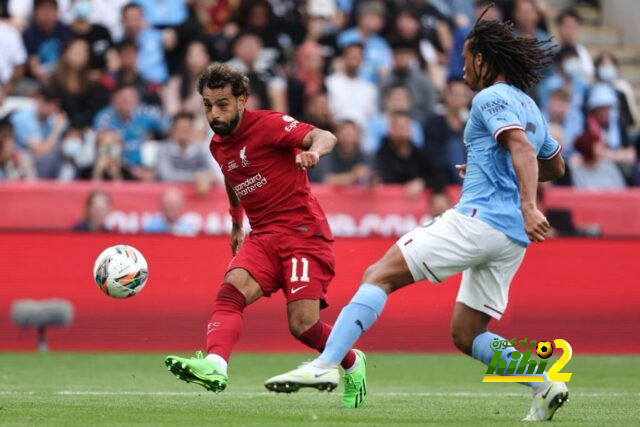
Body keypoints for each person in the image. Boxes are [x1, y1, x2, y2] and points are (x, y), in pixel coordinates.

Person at [266, 10, 569, 421]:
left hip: (479, 221)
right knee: (468, 334)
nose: (461, 70)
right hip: (510, 239)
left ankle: (325, 365)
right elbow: (553, 166)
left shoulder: (490, 97)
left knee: (379, 274)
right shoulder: (529, 105)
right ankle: (543, 381)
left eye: (465, 59)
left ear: (482, 58)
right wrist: (487, 167)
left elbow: (519, 146)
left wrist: (528, 204)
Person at [164, 63, 366, 408]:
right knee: (230, 293)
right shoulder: (217, 145)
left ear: (242, 100)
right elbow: (231, 175)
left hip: (303, 234)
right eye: (208, 104)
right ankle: (215, 366)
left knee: (303, 326)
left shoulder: (270, 125)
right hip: (263, 236)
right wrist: (236, 221)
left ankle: (352, 362)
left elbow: (325, 135)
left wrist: (314, 152)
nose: (214, 113)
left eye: (223, 104)